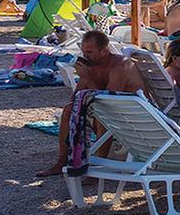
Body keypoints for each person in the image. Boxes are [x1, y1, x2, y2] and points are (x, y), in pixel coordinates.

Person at [37, 31, 145, 176]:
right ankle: (62, 161)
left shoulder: (121, 65)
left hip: (133, 111)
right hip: (112, 108)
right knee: (69, 110)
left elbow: (110, 99)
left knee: (103, 117)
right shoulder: (93, 65)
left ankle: (100, 168)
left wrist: (88, 78)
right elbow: (77, 95)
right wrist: (82, 87)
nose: (85, 55)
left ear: (104, 51)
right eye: (83, 52)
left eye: (89, 52)